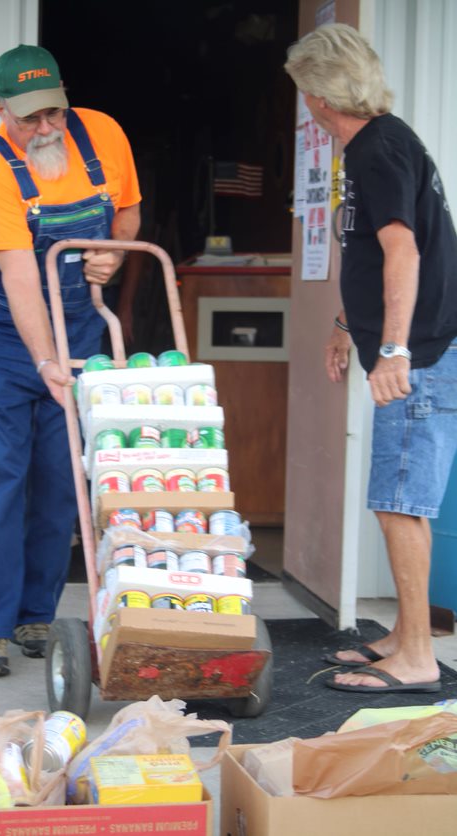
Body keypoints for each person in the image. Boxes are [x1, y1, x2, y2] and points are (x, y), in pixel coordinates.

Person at [0, 44, 141, 677]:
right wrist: (46, 362)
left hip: (78, 316)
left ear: (65, 98)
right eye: (28, 118)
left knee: (63, 475)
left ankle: (36, 613)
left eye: (53, 114)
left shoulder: (105, 134)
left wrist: (112, 253)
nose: (44, 129)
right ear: (1, 109)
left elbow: (128, 210)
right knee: (1, 476)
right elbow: (18, 277)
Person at [285, 24, 457, 693]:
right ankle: (403, 638)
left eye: (306, 92)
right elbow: (365, 252)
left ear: (322, 96)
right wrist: (342, 323)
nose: (306, 106)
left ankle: (416, 657)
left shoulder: (378, 150)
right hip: (417, 347)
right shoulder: (381, 143)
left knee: (397, 502)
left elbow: (402, 251)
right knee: (396, 498)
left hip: (422, 353)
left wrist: (392, 349)